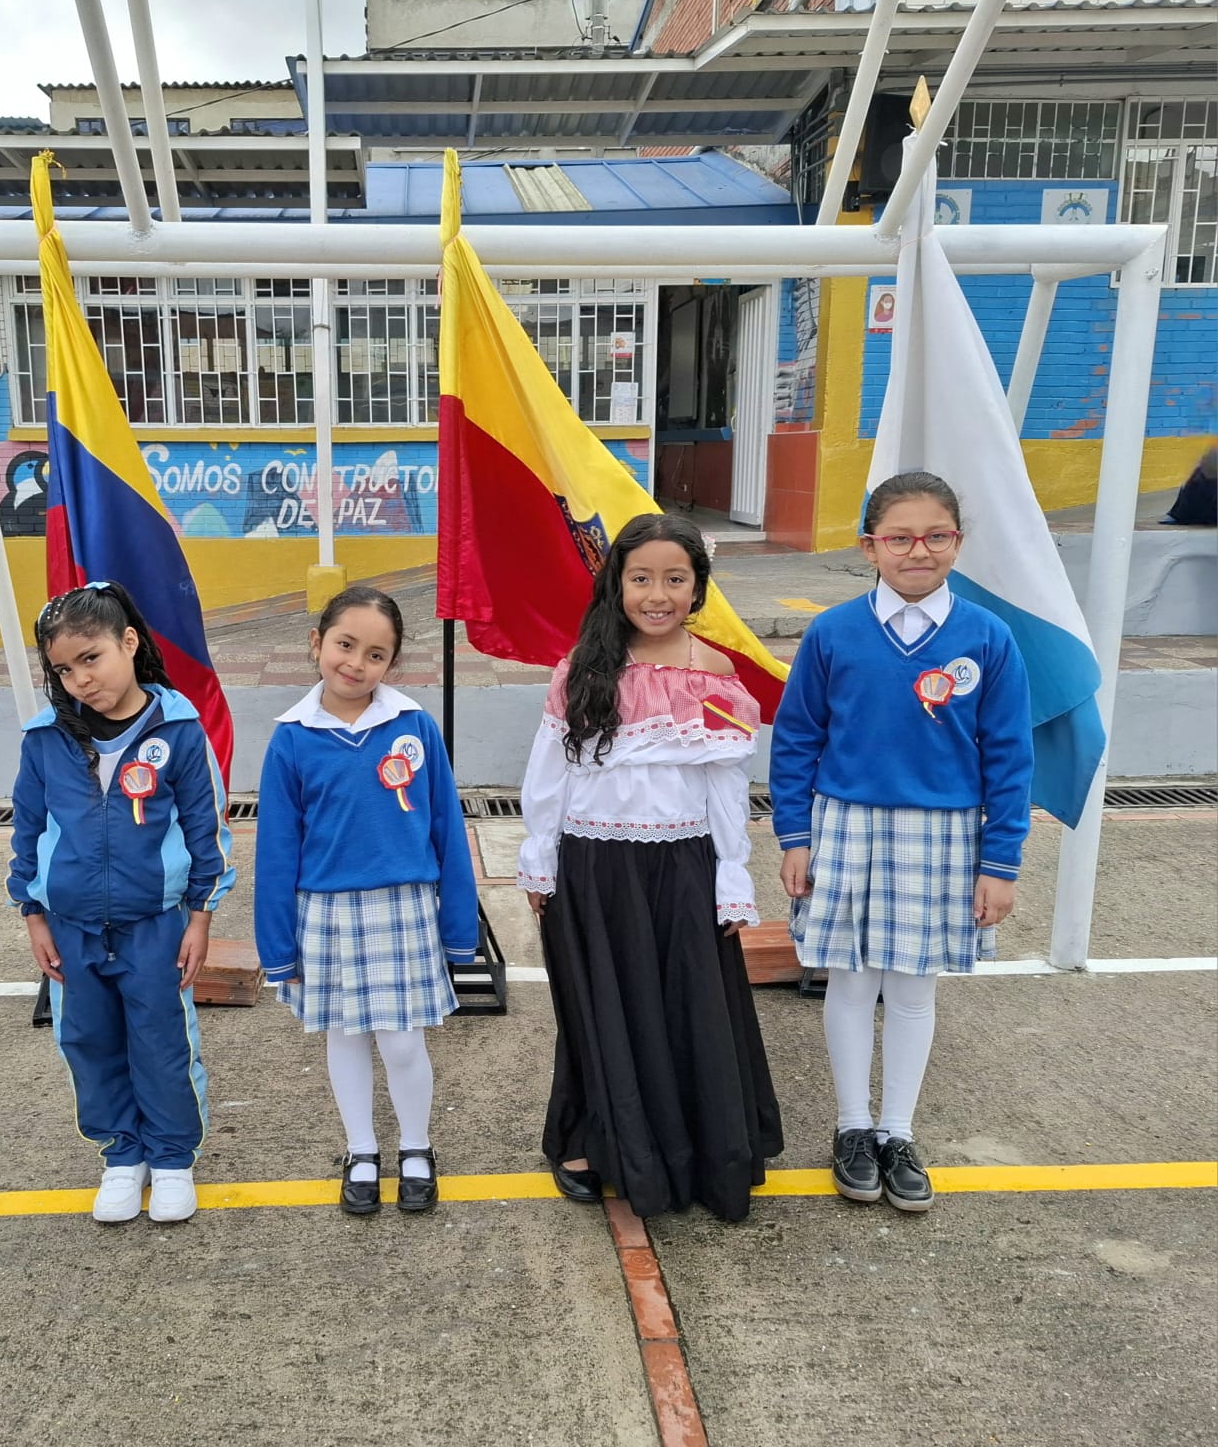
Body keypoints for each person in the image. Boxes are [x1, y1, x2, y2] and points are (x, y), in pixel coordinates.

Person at [770, 470, 1033, 1213]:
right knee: (850, 979)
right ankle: (852, 1127)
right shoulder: (834, 631)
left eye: (936, 535)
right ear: (870, 546)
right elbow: (796, 740)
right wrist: (795, 835)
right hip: (845, 823)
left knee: (914, 987)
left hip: (945, 830)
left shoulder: (988, 637)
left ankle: (897, 1130)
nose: (919, 550)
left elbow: (1009, 753)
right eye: (900, 537)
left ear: (958, 541)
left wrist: (1000, 860)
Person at [517, 513, 783, 1220]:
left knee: (687, 1003)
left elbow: (725, 783)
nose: (657, 593)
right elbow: (548, 776)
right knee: (598, 1007)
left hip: (684, 863)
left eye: (675, 579)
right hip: (594, 866)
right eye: (641, 578)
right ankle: (588, 1141)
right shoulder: (582, 668)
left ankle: (697, 1149)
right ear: (617, 583)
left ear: (698, 588)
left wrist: (733, 875)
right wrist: (540, 861)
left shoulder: (717, 672)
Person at [8, 581, 234, 1225]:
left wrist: (200, 917)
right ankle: (120, 1155)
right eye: (63, 668)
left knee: (162, 1043)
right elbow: (26, 830)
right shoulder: (45, 737)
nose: (80, 679)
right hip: (71, 927)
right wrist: (32, 913)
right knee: (88, 1041)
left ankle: (170, 1160)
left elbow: (205, 830)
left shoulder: (180, 729)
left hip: (156, 925)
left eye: (92, 657)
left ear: (129, 643)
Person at [254, 586, 478, 1216]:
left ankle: (415, 1147)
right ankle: (361, 1149)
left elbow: (446, 830)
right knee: (344, 1037)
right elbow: (276, 849)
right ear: (316, 643)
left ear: (392, 662)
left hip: (404, 907)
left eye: (376, 654)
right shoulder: (292, 740)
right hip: (324, 913)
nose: (355, 663)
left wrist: (458, 925)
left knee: (404, 1042)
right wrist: (277, 947)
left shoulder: (414, 727)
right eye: (344, 645)